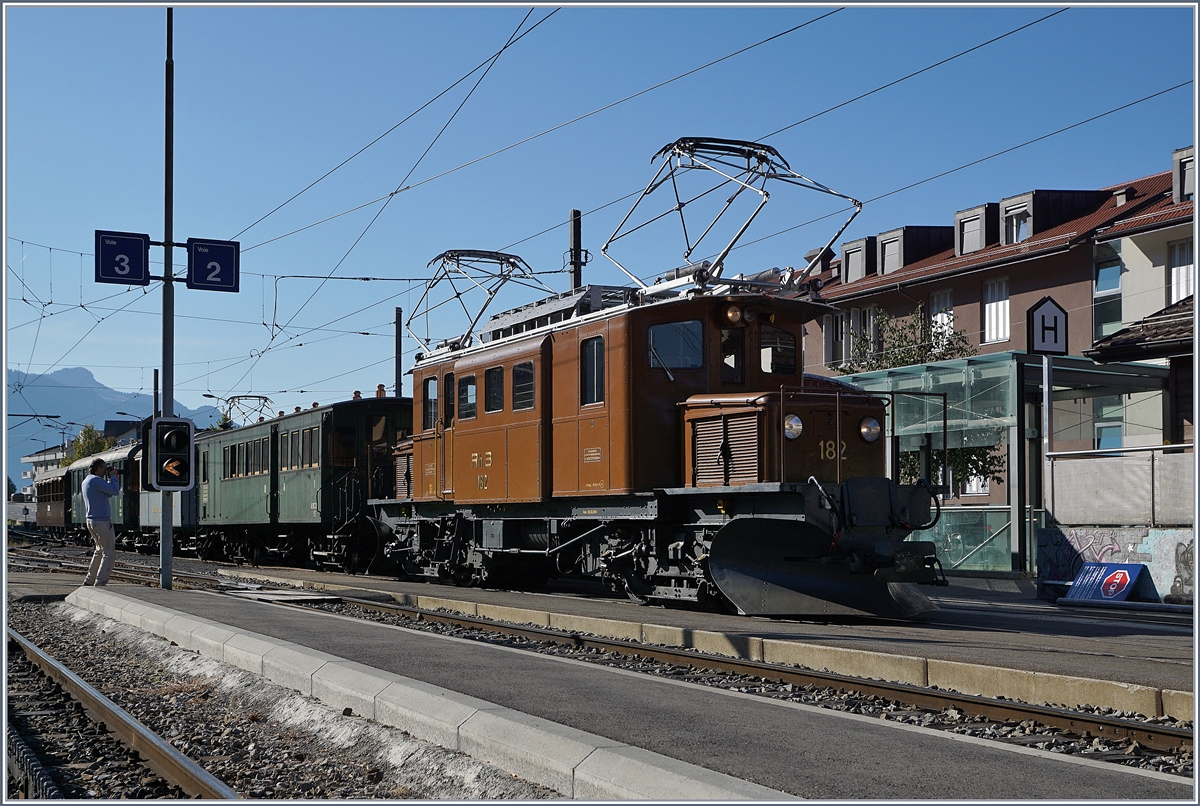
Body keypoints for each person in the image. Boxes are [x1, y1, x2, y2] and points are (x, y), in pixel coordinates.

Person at [81, 458, 121, 586]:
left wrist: (111, 480)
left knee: (99, 551)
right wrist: (113, 477)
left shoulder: (87, 481)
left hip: (91, 521)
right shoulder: (96, 480)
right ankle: (100, 582)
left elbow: (107, 494)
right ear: (98, 468)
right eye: (104, 468)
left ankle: (90, 579)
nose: (106, 471)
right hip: (102, 521)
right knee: (109, 553)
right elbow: (115, 491)